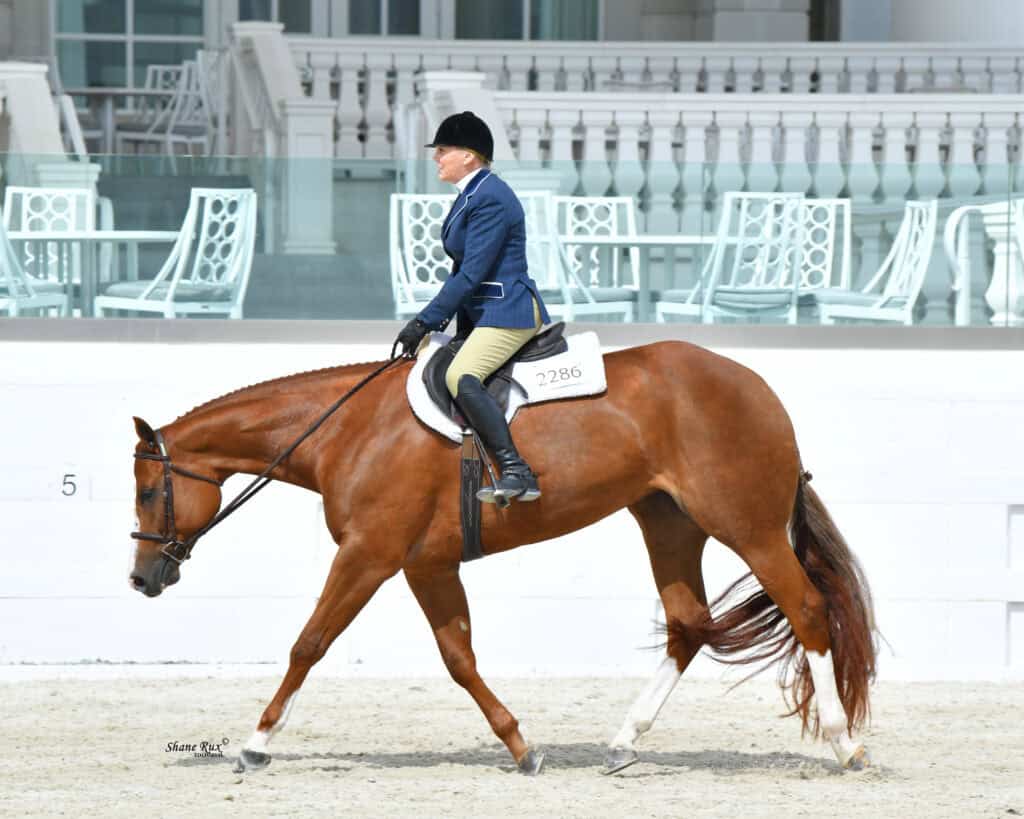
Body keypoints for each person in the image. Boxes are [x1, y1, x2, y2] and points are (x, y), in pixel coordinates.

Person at [395, 111, 551, 503]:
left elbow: (471, 274)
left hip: (508, 311)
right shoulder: (472, 195)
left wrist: (424, 321)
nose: (437, 158)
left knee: (462, 375)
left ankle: (516, 470)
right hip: (483, 313)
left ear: (469, 155)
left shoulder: (491, 198)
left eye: (443, 150)